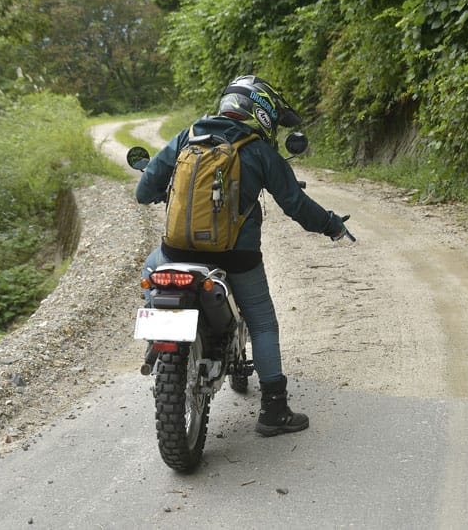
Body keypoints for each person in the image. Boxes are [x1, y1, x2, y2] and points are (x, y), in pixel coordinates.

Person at [135, 75, 351, 437]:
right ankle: (274, 411)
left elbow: (144, 192)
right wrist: (332, 225)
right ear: (262, 111)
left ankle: (159, 343)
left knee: (151, 271)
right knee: (263, 321)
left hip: (175, 251)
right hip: (236, 257)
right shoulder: (258, 150)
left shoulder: (188, 136)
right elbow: (297, 205)